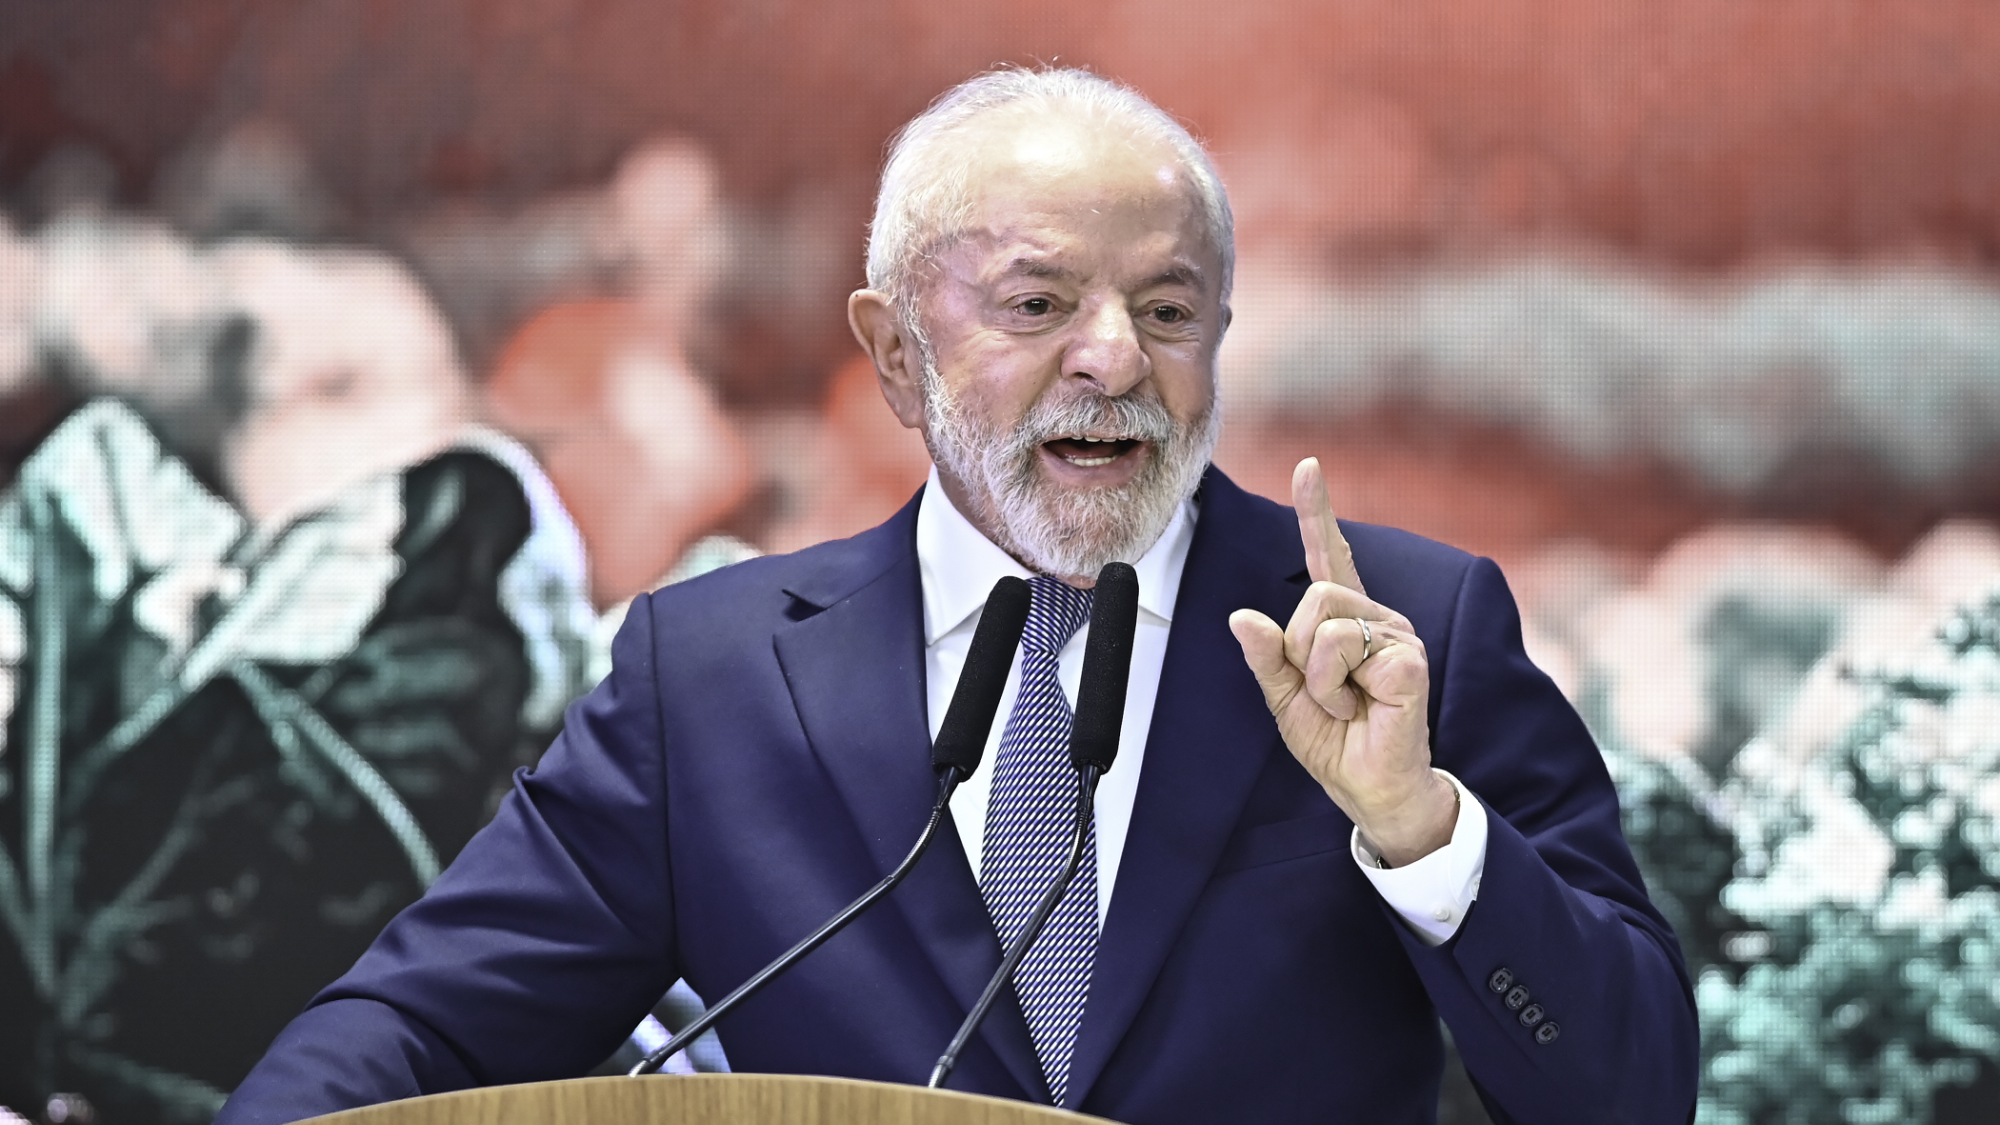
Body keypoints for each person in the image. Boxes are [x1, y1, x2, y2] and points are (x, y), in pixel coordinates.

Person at [217, 68, 1699, 1124]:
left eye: (1169, 309)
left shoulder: (1400, 633)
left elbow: (1631, 1092)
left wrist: (1421, 831)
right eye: (1038, 303)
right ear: (894, 354)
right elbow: (416, 1024)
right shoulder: (712, 677)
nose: (1114, 357)